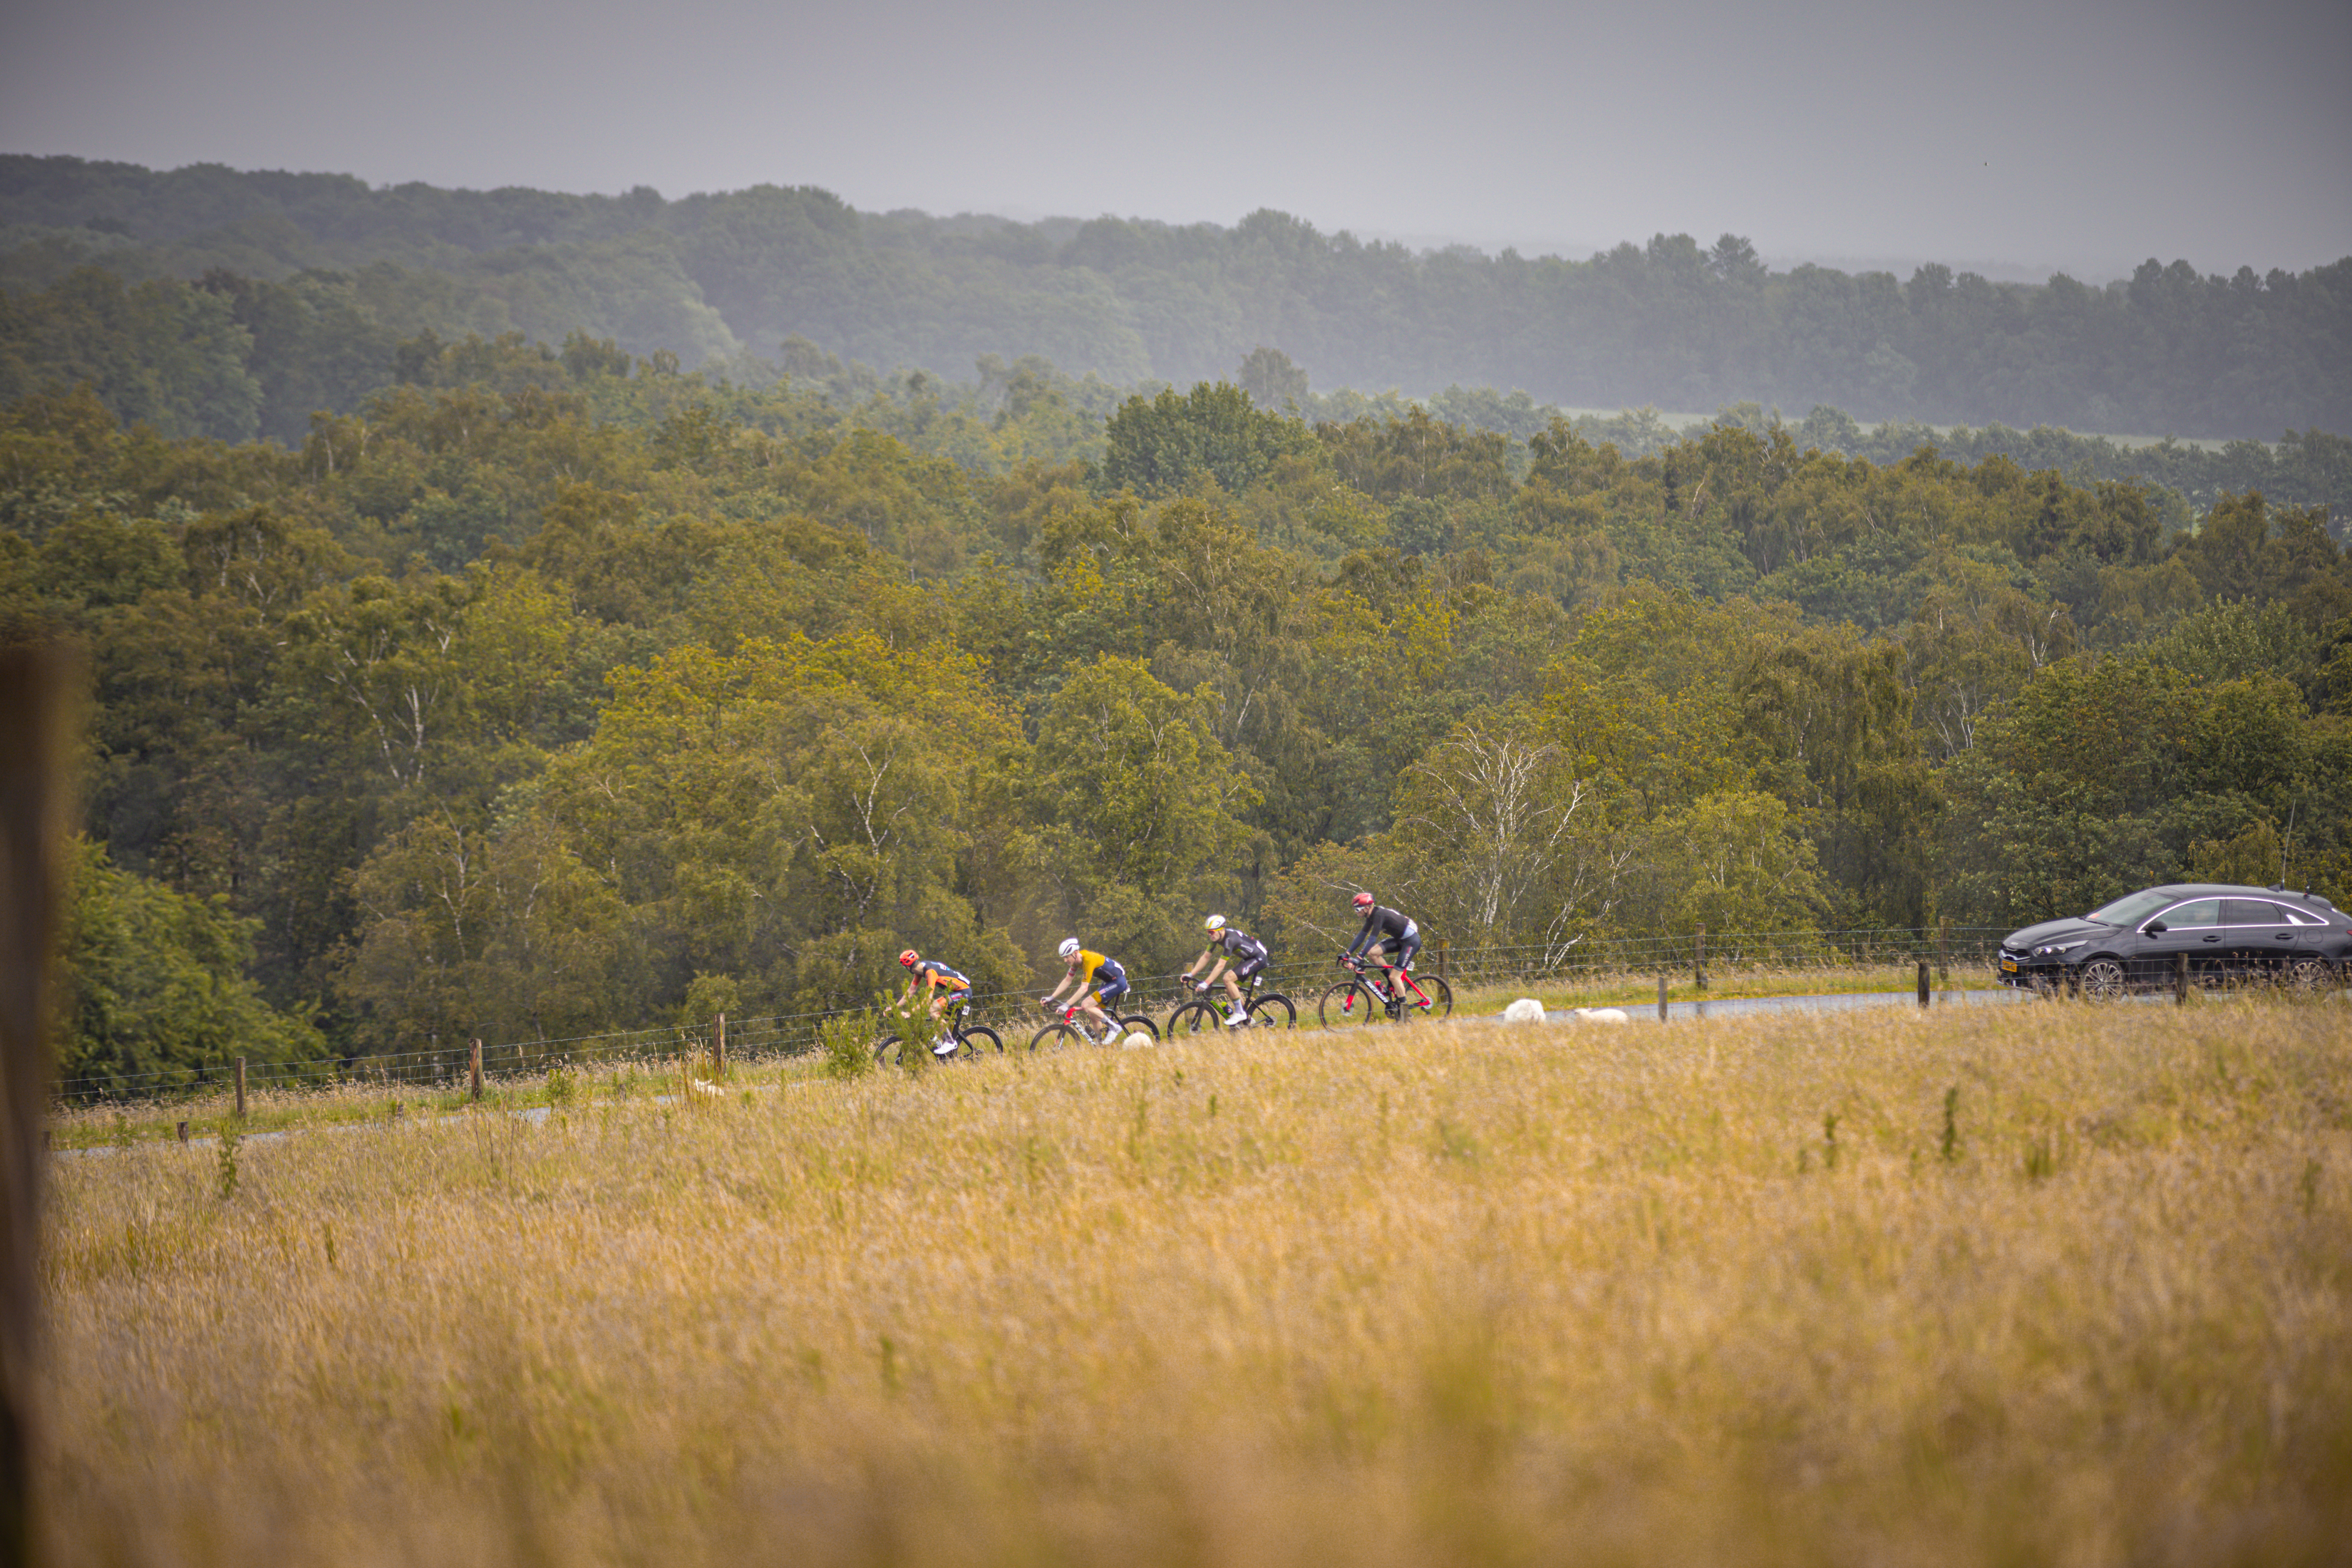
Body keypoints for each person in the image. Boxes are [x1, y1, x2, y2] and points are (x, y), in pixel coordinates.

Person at [1181, 914, 1267, 1027]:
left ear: (1221, 930)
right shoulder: (1216, 938)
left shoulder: (1230, 939)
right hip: (1249, 959)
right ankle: (1248, 1020)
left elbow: (1221, 965)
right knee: (1230, 990)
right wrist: (1191, 974)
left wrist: (1207, 983)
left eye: (1211, 932)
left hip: (1258, 958)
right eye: (1208, 932)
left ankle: (1240, 1013)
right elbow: (1206, 957)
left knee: (1227, 978)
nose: (1209, 934)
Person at [1343, 891, 1425, 1007]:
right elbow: (1361, 935)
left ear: (1366, 908)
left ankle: (1405, 1014)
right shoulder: (1371, 916)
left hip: (1411, 942)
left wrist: (1359, 957)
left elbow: (1371, 939)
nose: (1356, 913)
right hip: (1400, 939)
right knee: (1373, 954)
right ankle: (1391, 982)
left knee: (1395, 976)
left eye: (1357, 909)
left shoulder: (1379, 915)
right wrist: (1347, 953)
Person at [1041, 937, 1129, 1041]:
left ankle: (1114, 1027)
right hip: (1109, 982)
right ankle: (1100, 1045)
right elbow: (1067, 980)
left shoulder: (1088, 960)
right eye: (1063, 958)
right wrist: (1051, 997)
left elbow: (1084, 988)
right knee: (1093, 1014)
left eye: (1067, 957)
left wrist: (1067, 1005)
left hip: (1117, 982)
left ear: (1076, 953)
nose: (1065, 960)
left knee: (1086, 1005)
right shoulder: (1076, 962)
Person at [899, 948, 973, 1056]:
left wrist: (910, 1013)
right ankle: (943, 1044)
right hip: (955, 991)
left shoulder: (930, 972)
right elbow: (911, 991)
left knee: (932, 1009)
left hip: (963, 992)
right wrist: (895, 1007)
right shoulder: (921, 969)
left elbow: (928, 1000)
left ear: (908, 967)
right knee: (937, 1015)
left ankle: (949, 1042)